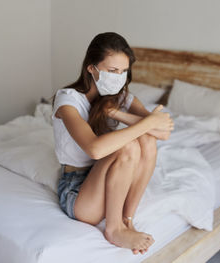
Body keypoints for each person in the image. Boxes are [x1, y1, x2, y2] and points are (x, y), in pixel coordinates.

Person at [51, 32, 174, 255]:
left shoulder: (120, 96)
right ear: (91, 68)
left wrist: (117, 113)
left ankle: (127, 219)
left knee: (145, 138)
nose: (119, 77)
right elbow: (95, 149)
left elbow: (162, 132)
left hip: (110, 180)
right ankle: (114, 228)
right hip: (77, 191)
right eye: (112, 71)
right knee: (128, 144)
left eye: (124, 71)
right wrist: (147, 122)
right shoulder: (67, 100)